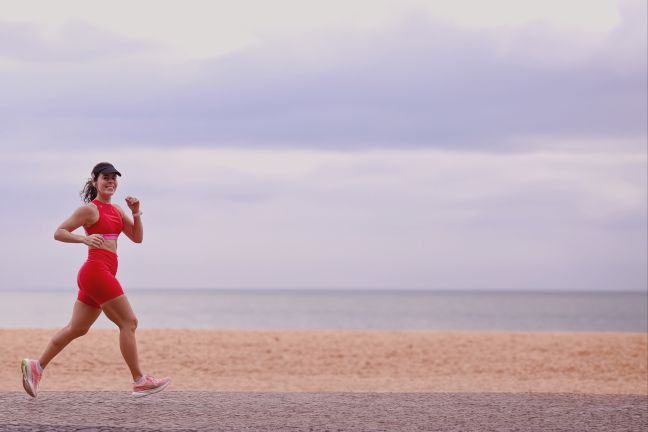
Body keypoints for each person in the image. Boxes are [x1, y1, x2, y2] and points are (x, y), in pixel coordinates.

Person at [21, 162, 171, 398]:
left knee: (76, 328)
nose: (111, 182)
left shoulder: (118, 210)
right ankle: (139, 380)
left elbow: (137, 238)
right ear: (95, 182)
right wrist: (84, 239)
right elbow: (59, 232)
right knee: (129, 322)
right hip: (96, 271)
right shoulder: (90, 210)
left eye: (114, 178)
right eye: (105, 178)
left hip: (103, 273)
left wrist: (135, 212)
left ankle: (36, 366)